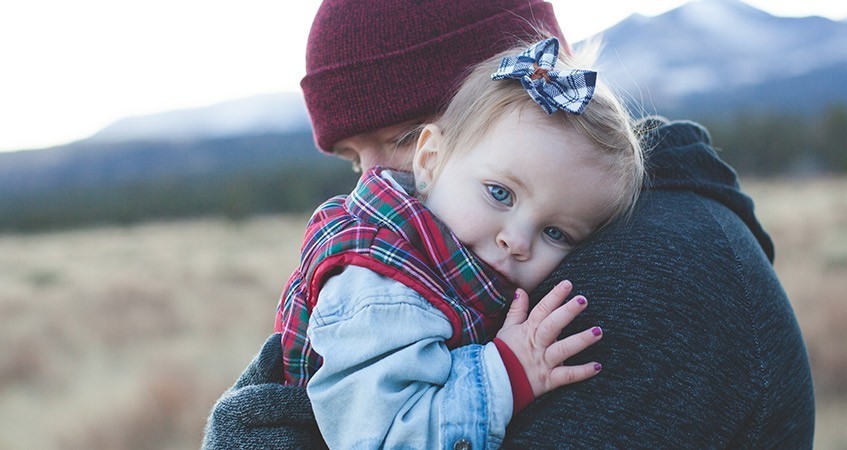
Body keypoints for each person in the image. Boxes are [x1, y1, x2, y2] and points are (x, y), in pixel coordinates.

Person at [203, 0, 816, 448]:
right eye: (350, 157)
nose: (371, 183)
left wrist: (260, 433)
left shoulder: (651, 276)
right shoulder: (459, 263)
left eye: (404, 137)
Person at [275, 37, 644, 448]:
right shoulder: (381, 289)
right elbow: (386, 439)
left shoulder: (452, 262)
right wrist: (507, 373)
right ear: (430, 160)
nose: (517, 240)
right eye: (499, 193)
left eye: (556, 233)